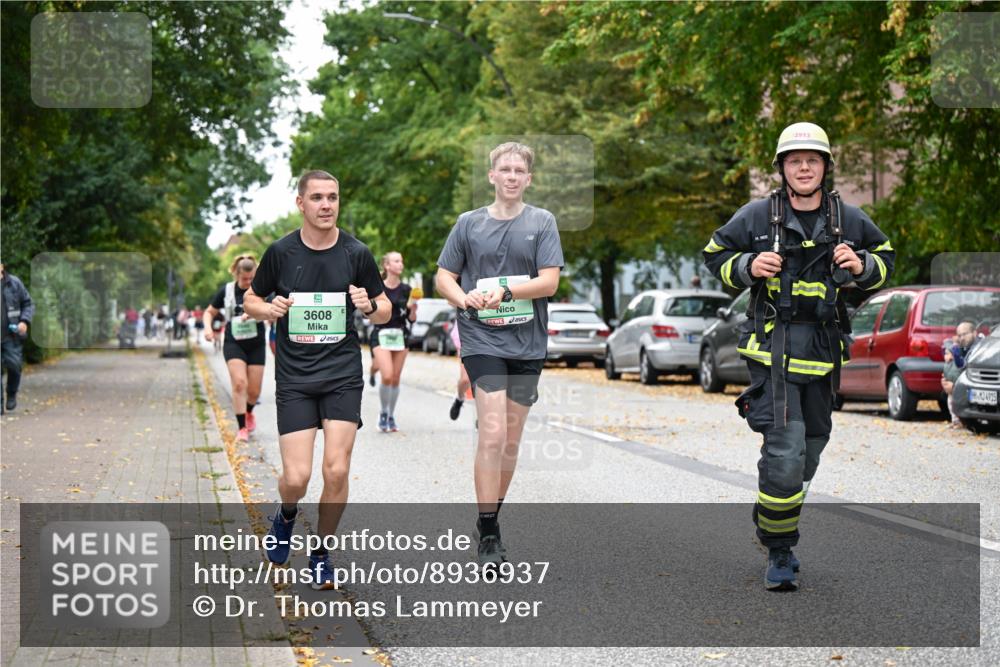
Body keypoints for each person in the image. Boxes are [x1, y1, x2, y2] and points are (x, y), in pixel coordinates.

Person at [703, 122, 895, 591]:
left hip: (824, 354)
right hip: (774, 351)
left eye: (812, 160)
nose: (804, 167)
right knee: (785, 453)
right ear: (783, 169)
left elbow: (885, 258)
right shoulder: (756, 215)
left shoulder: (848, 218)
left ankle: (772, 512)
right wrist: (747, 266)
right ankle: (780, 549)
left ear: (825, 167)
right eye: (795, 160)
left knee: (810, 450)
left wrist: (863, 266)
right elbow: (714, 254)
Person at [243, 170, 390, 589]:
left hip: (342, 373)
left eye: (333, 198)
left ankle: (322, 552)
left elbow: (383, 310)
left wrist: (368, 305)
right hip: (295, 377)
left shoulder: (356, 253)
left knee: (337, 469)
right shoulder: (281, 252)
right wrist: (267, 310)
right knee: (296, 478)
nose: (327, 205)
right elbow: (250, 300)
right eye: (318, 198)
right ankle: (286, 515)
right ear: (301, 204)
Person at [435, 142, 563, 566]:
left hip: (528, 345)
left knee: (509, 441)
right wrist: (465, 300)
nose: (511, 176)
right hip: (481, 340)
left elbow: (548, 283)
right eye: (503, 169)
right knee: (490, 434)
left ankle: (490, 515)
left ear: (528, 179)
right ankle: (489, 530)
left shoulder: (542, 222)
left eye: (518, 170)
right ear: (491, 176)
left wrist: (504, 290)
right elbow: (443, 277)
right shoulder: (468, 224)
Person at [204, 255, 268, 443]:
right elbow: (209, 312)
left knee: (254, 392)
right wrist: (208, 329)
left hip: (256, 343)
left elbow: (272, 310)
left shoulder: (262, 290)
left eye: (251, 279)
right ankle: (241, 428)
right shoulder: (227, 291)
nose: (248, 283)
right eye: (244, 279)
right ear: (237, 275)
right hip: (234, 343)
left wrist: (258, 311)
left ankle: (248, 412)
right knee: (240, 383)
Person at [369, 251, 417, 432]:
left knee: (395, 379)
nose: (400, 264)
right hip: (380, 333)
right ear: (387, 266)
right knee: (387, 375)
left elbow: (411, 319)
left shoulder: (407, 289)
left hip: (400, 335)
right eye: (396, 261)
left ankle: (390, 415)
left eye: (401, 261)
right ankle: (382, 411)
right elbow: (372, 313)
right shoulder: (378, 287)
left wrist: (413, 309)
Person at [1, 263, 34, 414]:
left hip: (11, 334)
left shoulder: (14, 283)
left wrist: (24, 321)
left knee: (14, 365)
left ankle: (12, 392)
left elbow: (28, 303)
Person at [941, 321, 980, 428]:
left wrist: (954, 388)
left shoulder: (979, 349)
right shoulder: (962, 348)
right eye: (960, 335)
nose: (962, 337)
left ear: (974, 333)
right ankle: (957, 421)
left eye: (965, 334)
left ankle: (962, 421)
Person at [449, 315, 473, 420]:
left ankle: (481, 418)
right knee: (465, 380)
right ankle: (459, 398)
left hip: (491, 333)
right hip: (466, 335)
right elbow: (450, 300)